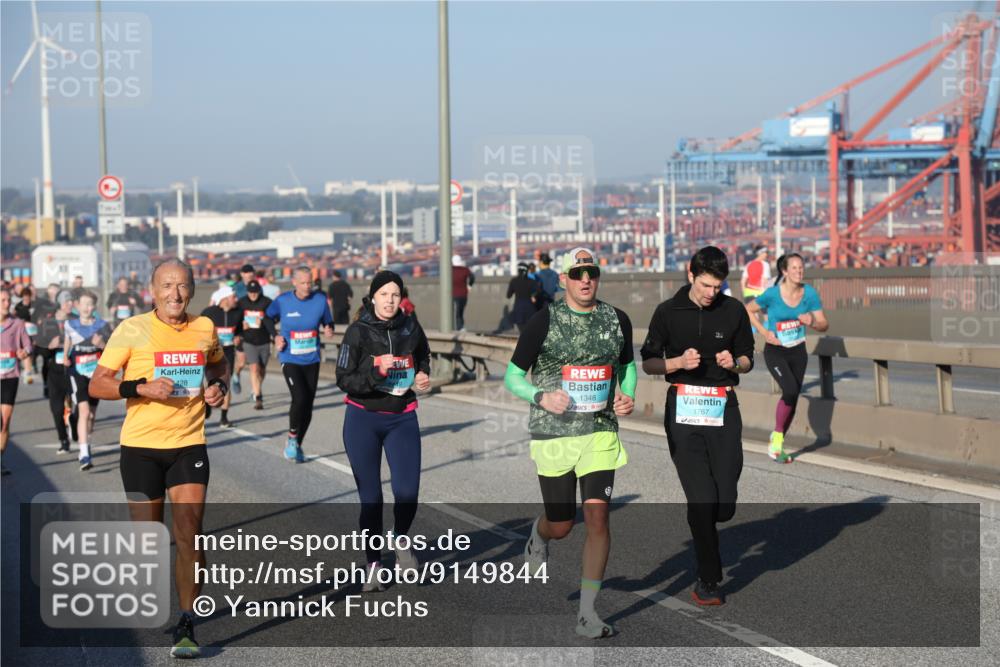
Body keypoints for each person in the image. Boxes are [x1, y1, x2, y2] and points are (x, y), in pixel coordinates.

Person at [90, 257, 227, 659]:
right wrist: (141, 388)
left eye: (182, 286)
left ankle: (186, 621)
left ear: (193, 289)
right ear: (153, 290)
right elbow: (98, 384)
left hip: (188, 443)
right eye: (167, 286)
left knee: (190, 533)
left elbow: (218, 363)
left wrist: (217, 386)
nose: (175, 294)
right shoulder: (131, 329)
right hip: (141, 448)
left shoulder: (205, 328)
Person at [504, 247, 636, 639]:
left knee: (598, 516)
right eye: (577, 273)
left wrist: (625, 395)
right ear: (563, 279)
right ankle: (539, 534)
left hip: (599, 430)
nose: (585, 280)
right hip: (554, 432)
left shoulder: (617, 320)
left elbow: (626, 367)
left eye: (591, 272)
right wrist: (540, 396)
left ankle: (587, 614)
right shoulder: (543, 321)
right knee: (562, 525)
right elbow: (512, 376)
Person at [640, 246, 755, 606]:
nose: (711, 293)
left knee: (725, 501)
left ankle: (720, 511)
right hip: (683, 410)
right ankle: (709, 579)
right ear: (691, 275)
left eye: (717, 286)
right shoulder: (667, 312)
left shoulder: (733, 310)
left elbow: (749, 358)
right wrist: (675, 362)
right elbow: (648, 362)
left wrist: (734, 361)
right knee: (701, 498)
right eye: (705, 285)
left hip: (723, 407)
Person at [336, 271, 432, 589]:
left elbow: (423, 356)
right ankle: (374, 564)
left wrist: (421, 375)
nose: (390, 300)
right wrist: (376, 372)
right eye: (384, 294)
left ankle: (400, 538)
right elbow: (343, 378)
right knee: (372, 499)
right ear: (373, 296)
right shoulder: (358, 332)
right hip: (363, 418)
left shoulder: (410, 325)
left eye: (395, 294)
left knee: (407, 493)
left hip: (402, 417)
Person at [745, 253, 828, 463]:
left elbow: (823, 324)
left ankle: (777, 442)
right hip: (776, 351)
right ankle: (777, 440)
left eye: (801, 267)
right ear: (784, 271)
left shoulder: (809, 294)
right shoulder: (772, 294)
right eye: (794, 268)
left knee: (793, 396)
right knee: (790, 390)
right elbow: (748, 309)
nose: (799, 271)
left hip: (798, 351)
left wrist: (812, 322)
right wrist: (765, 333)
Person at [266, 266, 334, 462]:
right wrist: (275, 336)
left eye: (310, 283)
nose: (307, 287)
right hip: (289, 358)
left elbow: (328, 321)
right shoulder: (283, 301)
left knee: (308, 405)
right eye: (303, 283)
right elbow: (267, 318)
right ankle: (292, 437)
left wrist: (329, 329)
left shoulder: (320, 300)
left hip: (312, 359)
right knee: (300, 397)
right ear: (294, 282)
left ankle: (297, 443)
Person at [63, 291, 112, 471]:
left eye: (90, 304)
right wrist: (65, 356)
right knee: (84, 411)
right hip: (76, 371)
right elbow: (68, 339)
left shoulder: (102, 326)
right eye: (84, 304)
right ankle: (84, 454)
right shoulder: (70, 324)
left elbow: (113, 349)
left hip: (95, 373)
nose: (87, 308)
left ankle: (82, 435)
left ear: (95, 307)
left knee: (91, 415)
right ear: (77, 305)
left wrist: (101, 345)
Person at [37, 291, 76, 454]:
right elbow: (39, 348)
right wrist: (48, 347)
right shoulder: (49, 322)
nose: (70, 304)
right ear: (60, 303)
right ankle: (63, 440)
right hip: (55, 371)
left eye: (71, 301)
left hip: (74, 370)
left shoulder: (77, 320)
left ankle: (74, 422)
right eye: (67, 301)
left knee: (78, 407)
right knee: (56, 409)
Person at [200, 286, 243, 427]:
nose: (236, 299)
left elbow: (240, 331)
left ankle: (224, 417)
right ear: (225, 298)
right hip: (210, 353)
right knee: (210, 382)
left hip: (228, 352)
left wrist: (238, 337)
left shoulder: (238, 313)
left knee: (225, 383)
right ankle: (206, 403)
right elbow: (198, 331)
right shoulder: (209, 313)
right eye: (233, 297)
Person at [1, 287, 32, 475]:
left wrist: (25, 352)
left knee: (4, 421)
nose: (7, 304)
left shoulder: (17, 324)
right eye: (3, 300)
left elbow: (28, 344)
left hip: (10, 376)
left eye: (8, 300)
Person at [235, 280, 275, 410]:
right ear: (247, 292)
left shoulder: (267, 302)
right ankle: (258, 397)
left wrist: (263, 321)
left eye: (255, 292)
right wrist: (241, 326)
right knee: (254, 368)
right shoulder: (242, 302)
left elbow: (275, 318)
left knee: (262, 370)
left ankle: (256, 388)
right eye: (251, 292)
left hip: (264, 341)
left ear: (259, 291)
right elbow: (235, 318)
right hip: (249, 341)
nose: (253, 295)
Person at [14, 286, 38, 383]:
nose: (26, 298)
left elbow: (38, 318)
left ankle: (29, 368)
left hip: (33, 332)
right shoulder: (18, 306)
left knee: (31, 351)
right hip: (22, 332)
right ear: (22, 296)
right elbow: (14, 317)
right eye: (24, 296)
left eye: (28, 296)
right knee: (26, 351)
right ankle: (27, 372)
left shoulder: (33, 306)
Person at [507, 263, 540, 333]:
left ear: (518, 270)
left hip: (518, 307)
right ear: (527, 271)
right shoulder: (532, 282)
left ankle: (524, 341)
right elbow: (538, 291)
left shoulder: (514, 281)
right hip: (530, 308)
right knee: (530, 329)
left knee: (521, 330)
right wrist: (533, 296)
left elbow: (508, 295)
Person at [451, 255, 475, 331]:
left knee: (453, 311)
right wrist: (469, 286)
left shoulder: (449, 270)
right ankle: (460, 327)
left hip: (452, 294)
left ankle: (453, 327)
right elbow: (472, 277)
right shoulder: (465, 270)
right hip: (463, 294)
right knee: (460, 312)